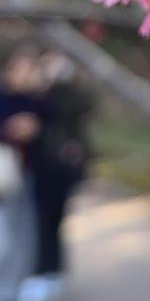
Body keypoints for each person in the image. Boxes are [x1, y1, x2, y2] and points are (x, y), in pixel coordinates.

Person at [19, 53, 94, 301]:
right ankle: (43, 272)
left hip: (60, 169)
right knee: (39, 223)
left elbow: (80, 110)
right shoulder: (35, 93)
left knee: (53, 221)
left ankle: (50, 272)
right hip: (40, 167)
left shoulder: (68, 93)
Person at [0, 47, 44, 301]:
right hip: (5, 175)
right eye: (20, 69)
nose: (25, 75)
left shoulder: (37, 101)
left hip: (27, 176)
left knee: (24, 234)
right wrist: (9, 130)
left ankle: (15, 285)